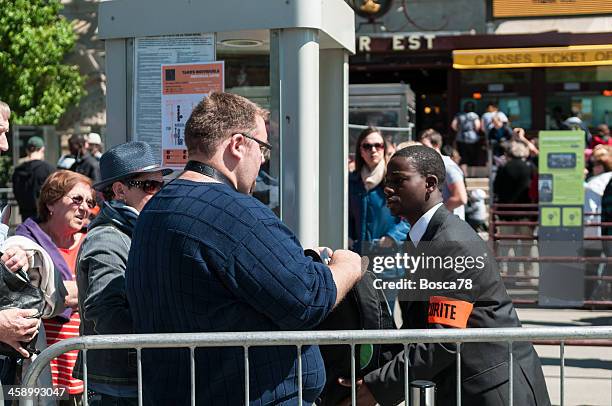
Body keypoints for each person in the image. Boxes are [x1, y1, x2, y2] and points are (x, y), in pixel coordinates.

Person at [126, 92, 364, 405]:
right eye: (262, 147)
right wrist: (348, 264)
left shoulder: (157, 207)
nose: (263, 159)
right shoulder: (235, 211)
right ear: (238, 144)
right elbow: (307, 299)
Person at [343, 145, 550, 406]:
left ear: (429, 183)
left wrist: (376, 389)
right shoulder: (422, 238)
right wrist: (374, 374)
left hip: (492, 391)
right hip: (463, 386)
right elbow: (418, 326)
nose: (388, 189)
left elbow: (442, 339)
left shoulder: (451, 243)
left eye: (399, 180)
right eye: (387, 181)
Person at [73, 141, 171, 404]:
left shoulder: (135, 231)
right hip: (117, 384)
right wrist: (160, 337)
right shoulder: (108, 238)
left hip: (131, 378)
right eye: (150, 186)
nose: (159, 193)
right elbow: (106, 311)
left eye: (162, 185)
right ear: (119, 190)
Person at [16, 170, 96, 402]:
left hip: (85, 367)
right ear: (51, 202)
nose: (85, 208)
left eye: (90, 202)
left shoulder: (93, 242)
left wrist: (59, 292)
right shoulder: (25, 243)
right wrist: (82, 292)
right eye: (77, 199)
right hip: (41, 362)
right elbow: (27, 297)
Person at [349, 127, 409, 253]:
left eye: (378, 145)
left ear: (384, 149)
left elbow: (412, 215)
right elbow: (347, 215)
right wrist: (348, 236)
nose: (373, 150)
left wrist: (393, 237)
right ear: (360, 151)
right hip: (359, 255)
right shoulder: (352, 181)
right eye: (367, 146)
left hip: (389, 257)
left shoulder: (396, 180)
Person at [419, 129, 467, 220]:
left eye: (425, 146)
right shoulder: (433, 166)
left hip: (451, 227)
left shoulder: (448, 166)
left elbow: (461, 198)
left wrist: (436, 214)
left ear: (436, 145)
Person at [12, 136, 56, 221]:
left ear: (27, 151)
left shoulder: (18, 171)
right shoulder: (48, 169)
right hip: (44, 217)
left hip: (25, 216)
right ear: (42, 149)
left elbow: (16, 192)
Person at [451, 101, 482, 170]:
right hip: (472, 137)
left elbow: (453, 125)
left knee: (462, 156)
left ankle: (464, 172)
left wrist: (459, 130)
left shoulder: (459, 115)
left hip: (461, 137)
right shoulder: (474, 115)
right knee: (473, 155)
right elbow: (477, 126)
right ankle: (473, 172)